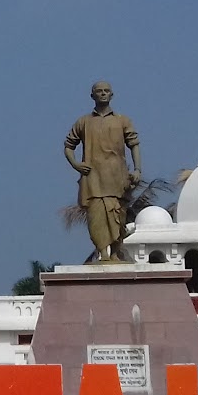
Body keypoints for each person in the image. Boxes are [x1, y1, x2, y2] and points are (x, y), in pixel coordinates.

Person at [63, 80, 143, 262]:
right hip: (93, 179)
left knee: (118, 216)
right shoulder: (83, 122)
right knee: (96, 217)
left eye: (106, 91)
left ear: (112, 95)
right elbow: (68, 146)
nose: (103, 93)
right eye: (99, 91)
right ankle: (103, 253)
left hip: (117, 179)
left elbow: (134, 144)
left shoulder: (122, 120)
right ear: (92, 96)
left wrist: (137, 169)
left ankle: (115, 253)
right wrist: (76, 164)